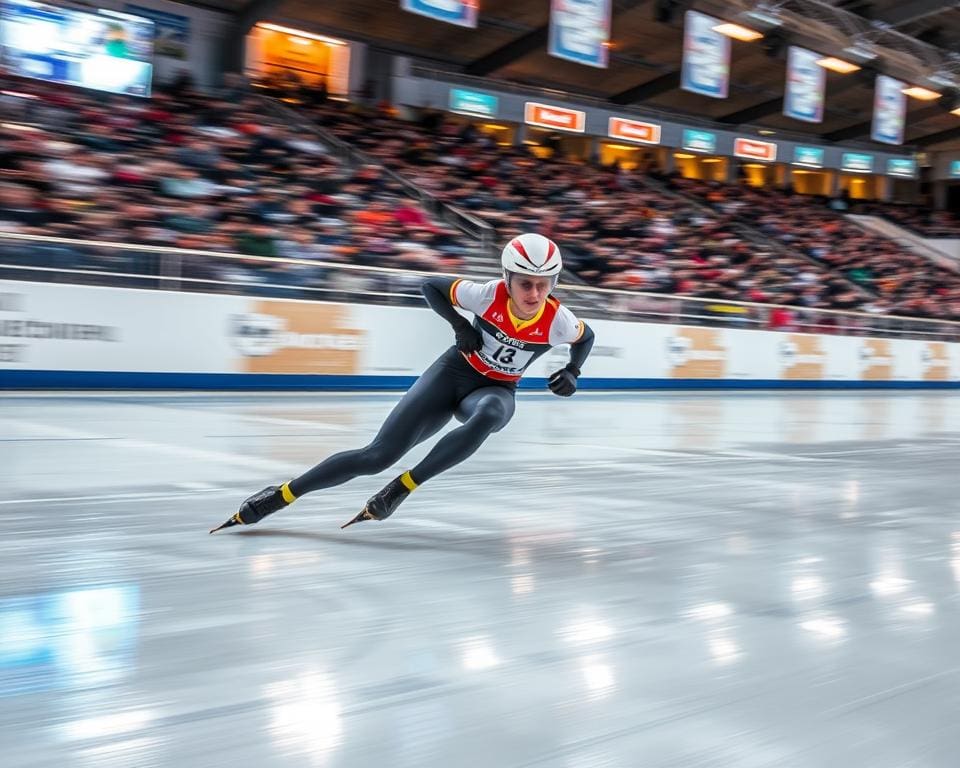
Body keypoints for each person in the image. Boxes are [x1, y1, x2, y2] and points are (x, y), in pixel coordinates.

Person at [210, 233, 595, 533]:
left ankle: (403, 487)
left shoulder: (558, 318)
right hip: (453, 373)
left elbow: (585, 337)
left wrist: (572, 373)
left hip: (494, 390)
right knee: (376, 456)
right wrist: (460, 324)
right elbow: (431, 286)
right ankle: (281, 495)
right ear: (507, 278)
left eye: (544, 285)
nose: (535, 294)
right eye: (525, 284)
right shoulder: (484, 294)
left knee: (490, 414)